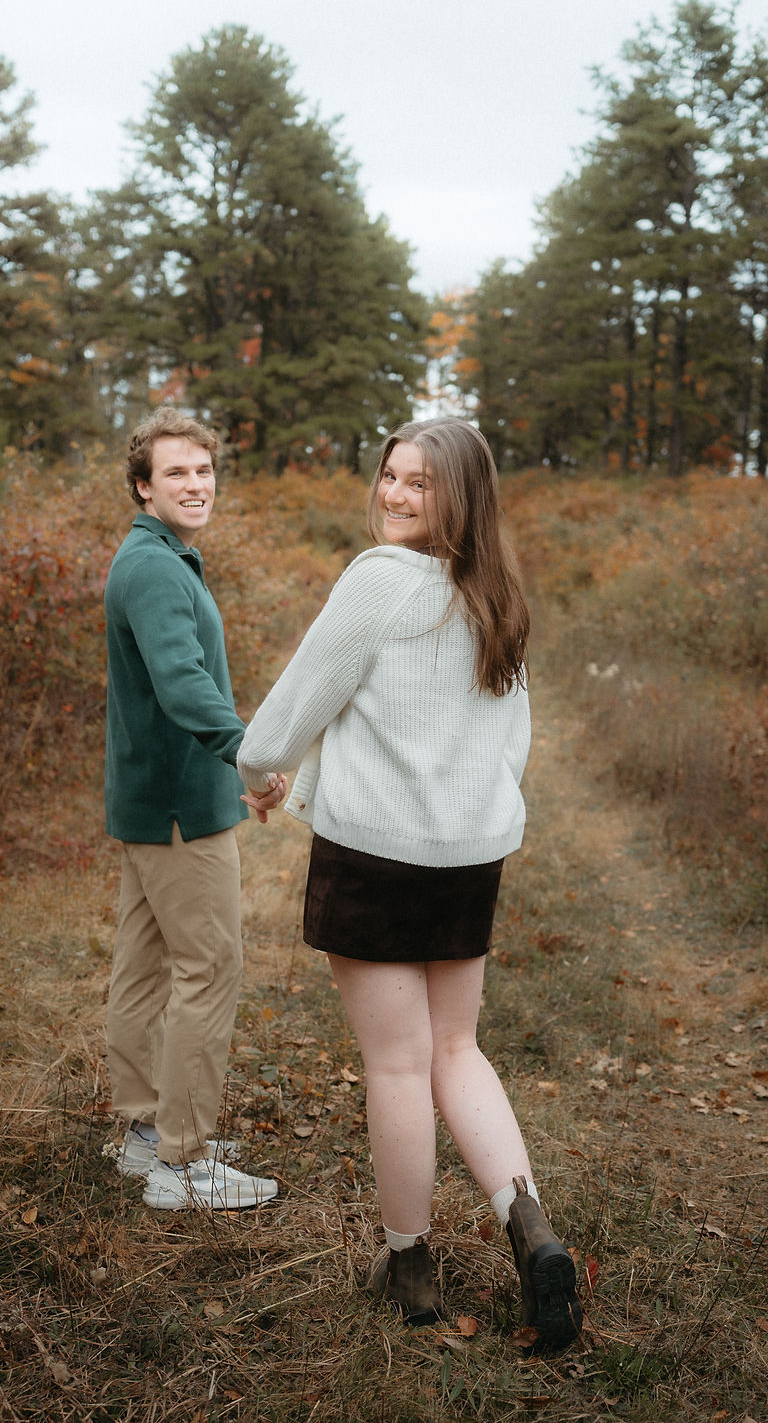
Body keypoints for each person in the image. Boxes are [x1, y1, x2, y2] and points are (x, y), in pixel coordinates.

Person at [237, 417, 582, 1351]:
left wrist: (260, 770)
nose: (393, 494)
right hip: (469, 859)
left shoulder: (377, 583)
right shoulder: (497, 595)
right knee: (458, 1049)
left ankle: (410, 1263)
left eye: (419, 483)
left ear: (457, 496)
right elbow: (514, 743)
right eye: (389, 475)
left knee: (398, 1063)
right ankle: (532, 1230)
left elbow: (292, 707)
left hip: (375, 858)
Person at [103, 405, 285, 1211]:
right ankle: (181, 1163)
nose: (195, 483)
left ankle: (146, 1134)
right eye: (176, 471)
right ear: (143, 487)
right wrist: (252, 759)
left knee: (142, 971)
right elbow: (183, 686)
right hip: (181, 807)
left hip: (154, 802)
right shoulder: (153, 568)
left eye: (204, 469)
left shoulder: (160, 558)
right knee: (209, 970)